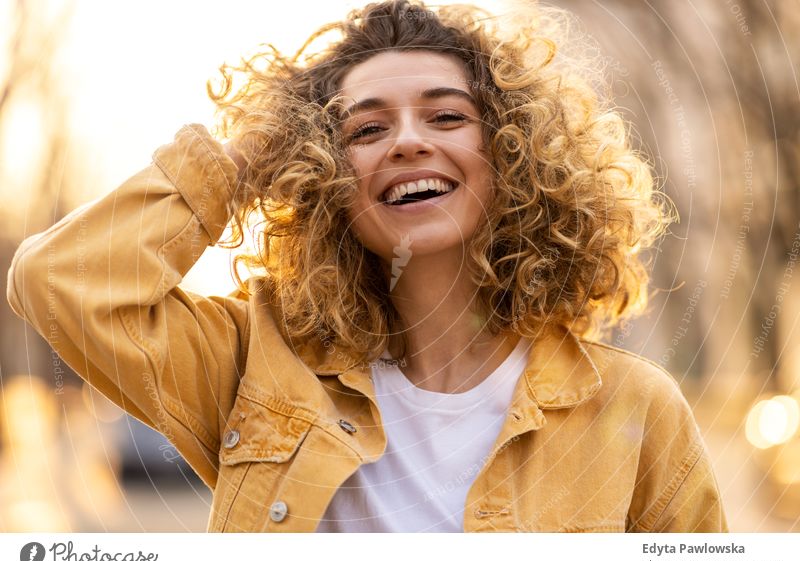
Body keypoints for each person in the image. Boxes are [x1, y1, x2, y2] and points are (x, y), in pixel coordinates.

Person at [6, 0, 727, 532]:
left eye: (447, 117)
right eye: (367, 130)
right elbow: (59, 282)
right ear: (323, 171)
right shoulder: (254, 363)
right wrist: (246, 157)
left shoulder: (635, 408)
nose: (408, 142)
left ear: (514, 156)